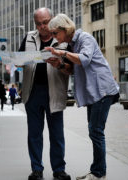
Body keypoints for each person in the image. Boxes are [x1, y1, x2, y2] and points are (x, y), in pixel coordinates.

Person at [45, 14, 120, 180]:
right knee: (94, 131)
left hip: (102, 90)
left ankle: (99, 173)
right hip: (94, 93)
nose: (54, 37)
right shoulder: (72, 44)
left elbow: (84, 60)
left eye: (55, 33)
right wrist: (59, 64)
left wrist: (60, 52)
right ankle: (97, 171)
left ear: (65, 29)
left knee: (96, 131)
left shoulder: (85, 38)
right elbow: (73, 69)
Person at [19, 8, 72, 180]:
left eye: (45, 22)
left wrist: (60, 65)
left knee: (57, 134)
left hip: (54, 92)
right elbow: (19, 60)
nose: (42, 26)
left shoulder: (62, 38)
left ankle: (59, 170)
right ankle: (37, 170)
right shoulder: (28, 37)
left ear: (52, 19)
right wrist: (18, 61)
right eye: (38, 23)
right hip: (32, 92)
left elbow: (71, 69)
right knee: (34, 134)